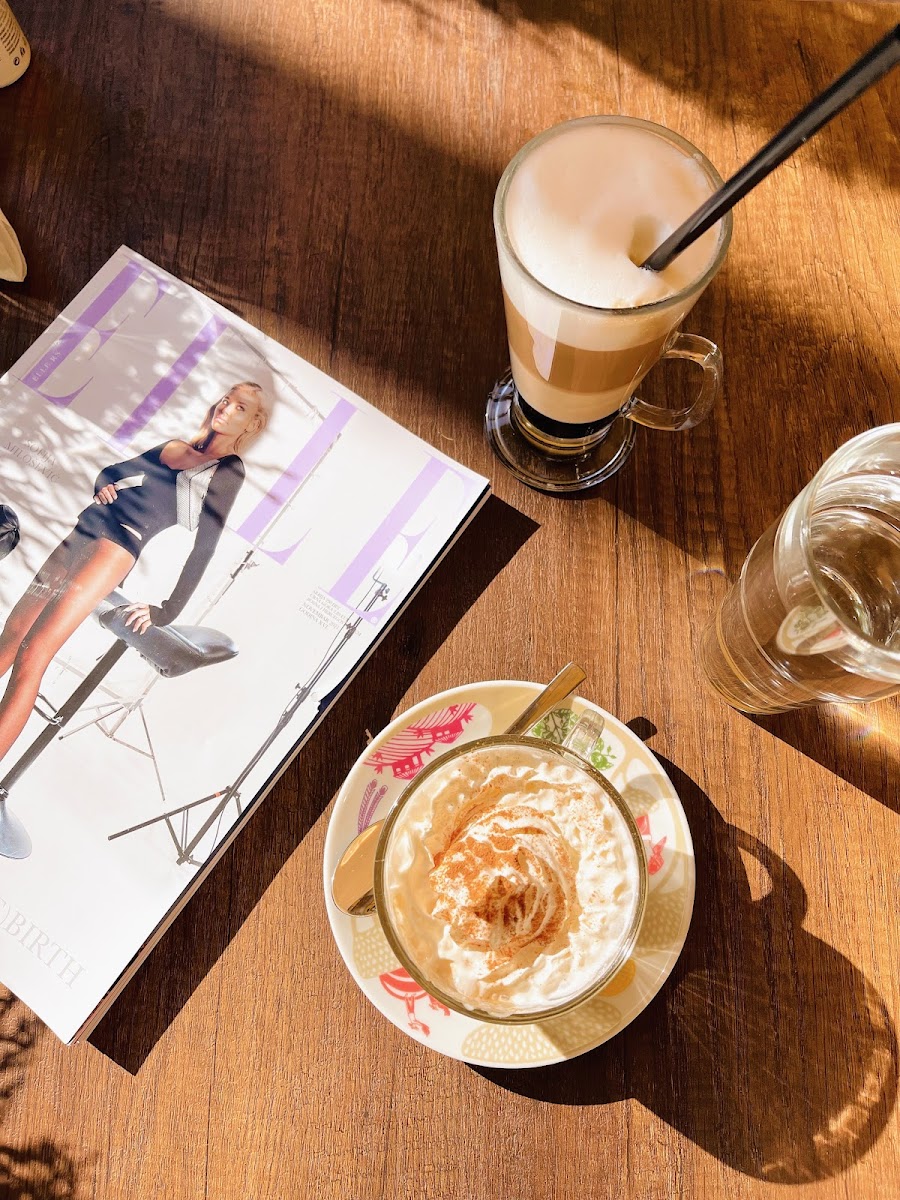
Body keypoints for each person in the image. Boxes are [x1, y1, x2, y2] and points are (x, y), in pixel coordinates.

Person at [0, 381, 270, 768]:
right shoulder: (174, 447)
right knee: (11, 635)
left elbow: (205, 546)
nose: (226, 408)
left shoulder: (228, 470)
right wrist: (104, 487)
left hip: (114, 549)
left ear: (252, 423)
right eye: (226, 399)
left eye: (240, 407)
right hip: (83, 530)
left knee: (34, 653)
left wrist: (167, 611)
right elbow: (112, 472)